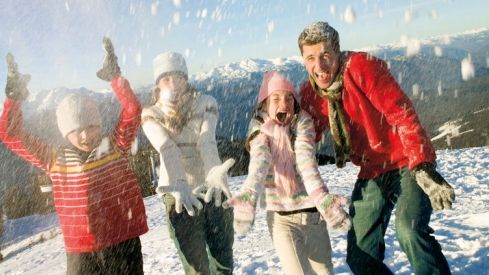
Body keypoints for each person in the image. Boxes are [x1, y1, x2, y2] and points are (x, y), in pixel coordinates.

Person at [297, 22, 456, 275]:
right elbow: (303, 140)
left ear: (337, 52)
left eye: (326, 55)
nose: (319, 66)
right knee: (360, 255)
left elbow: (401, 113)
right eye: (311, 58)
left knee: (410, 231)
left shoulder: (361, 67)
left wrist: (422, 163)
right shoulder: (311, 93)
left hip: (406, 161)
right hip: (371, 171)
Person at [0, 37, 148, 275]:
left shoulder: (115, 146)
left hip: (122, 242)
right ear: (65, 133)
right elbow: (10, 134)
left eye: (91, 126)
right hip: (81, 251)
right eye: (76, 130)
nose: (86, 135)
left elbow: (132, 111)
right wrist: (14, 97)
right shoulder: (53, 159)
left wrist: (115, 77)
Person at [224, 71, 351, 275]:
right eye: (276, 98)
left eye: (289, 97)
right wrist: (249, 194)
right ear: (264, 104)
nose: (284, 103)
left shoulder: (303, 122)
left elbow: (305, 161)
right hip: (281, 220)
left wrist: (322, 199)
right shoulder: (257, 128)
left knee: (324, 272)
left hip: (312, 216)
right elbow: (260, 160)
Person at [140, 51, 235, 275]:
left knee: (223, 261)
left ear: (186, 78)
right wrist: (180, 181)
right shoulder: (151, 114)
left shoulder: (206, 103)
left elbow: (207, 142)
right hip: (178, 195)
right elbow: (167, 148)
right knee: (196, 267)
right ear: (158, 83)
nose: (174, 84)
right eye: (166, 79)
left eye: (179, 77)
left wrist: (213, 172)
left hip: (213, 188)